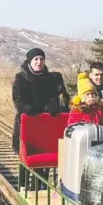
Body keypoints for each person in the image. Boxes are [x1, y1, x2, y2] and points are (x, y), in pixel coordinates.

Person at [12, 48, 69, 189]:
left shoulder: (50, 78)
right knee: (26, 156)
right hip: (27, 120)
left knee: (43, 156)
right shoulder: (21, 78)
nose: (39, 62)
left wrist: (52, 104)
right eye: (36, 59)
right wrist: (25, 108)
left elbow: (55, 96)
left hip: (44, 122)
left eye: (41, 59)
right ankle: (24, 186)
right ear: (30, 61)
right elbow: (17, 99)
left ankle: (40, 187)